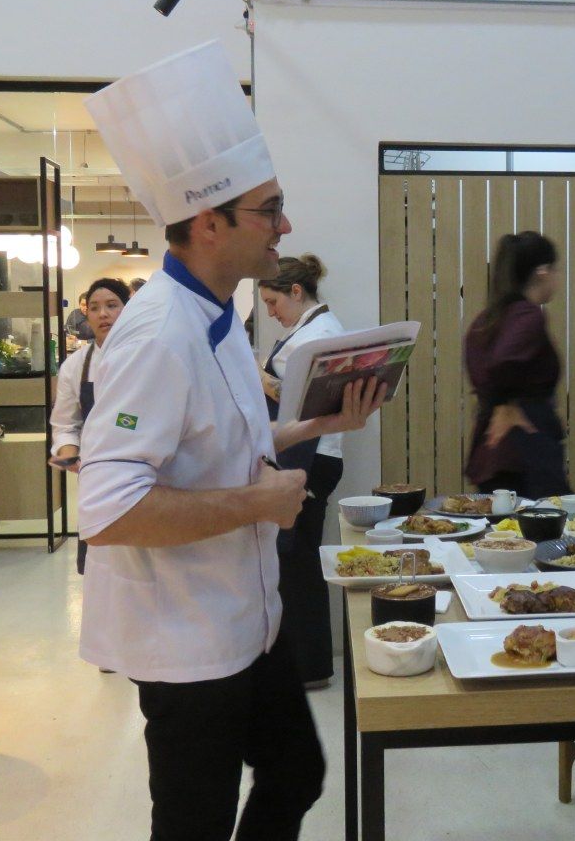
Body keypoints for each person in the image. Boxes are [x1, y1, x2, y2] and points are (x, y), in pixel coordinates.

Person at [80, 41, 383, 841]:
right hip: (185, 640)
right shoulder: (155, 336)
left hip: (248, 619)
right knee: (194, 822)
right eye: (269, 210)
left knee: (297, 771)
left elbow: (223, 442)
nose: (286, 227)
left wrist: (319, 424)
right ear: (209, 223)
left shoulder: (219, 316)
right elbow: (109, 511)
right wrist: (260, 500)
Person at [257, 254, 346, 688]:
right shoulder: (310, 330)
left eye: (273, 302)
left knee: (298, 558)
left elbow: (303, 401)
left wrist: (259, 377)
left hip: (311, 456)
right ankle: (305, 662)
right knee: (294, 557)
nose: (271, 313)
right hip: (309, 453)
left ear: (296, 292)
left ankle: (310, 665)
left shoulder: (320, 335)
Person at [464, 231, 569, 498]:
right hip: (524, 447)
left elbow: (481, 367)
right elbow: (503, 362)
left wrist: (496, 403)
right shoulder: (528, 315)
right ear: (543, 271)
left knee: (503, 535)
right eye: (556, 269)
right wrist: (505, 404)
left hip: (493, 448)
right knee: (542, 530)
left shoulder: (486, 320)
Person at [48, 276, 131, 575]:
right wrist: (70, 455)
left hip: (143, 478)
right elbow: (65, 424)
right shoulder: (76, 365)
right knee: (100, 571)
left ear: (128, 309)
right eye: (94, 308)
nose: (103, 314)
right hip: (95, 479)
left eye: (112, 305)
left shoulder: (145, 356)